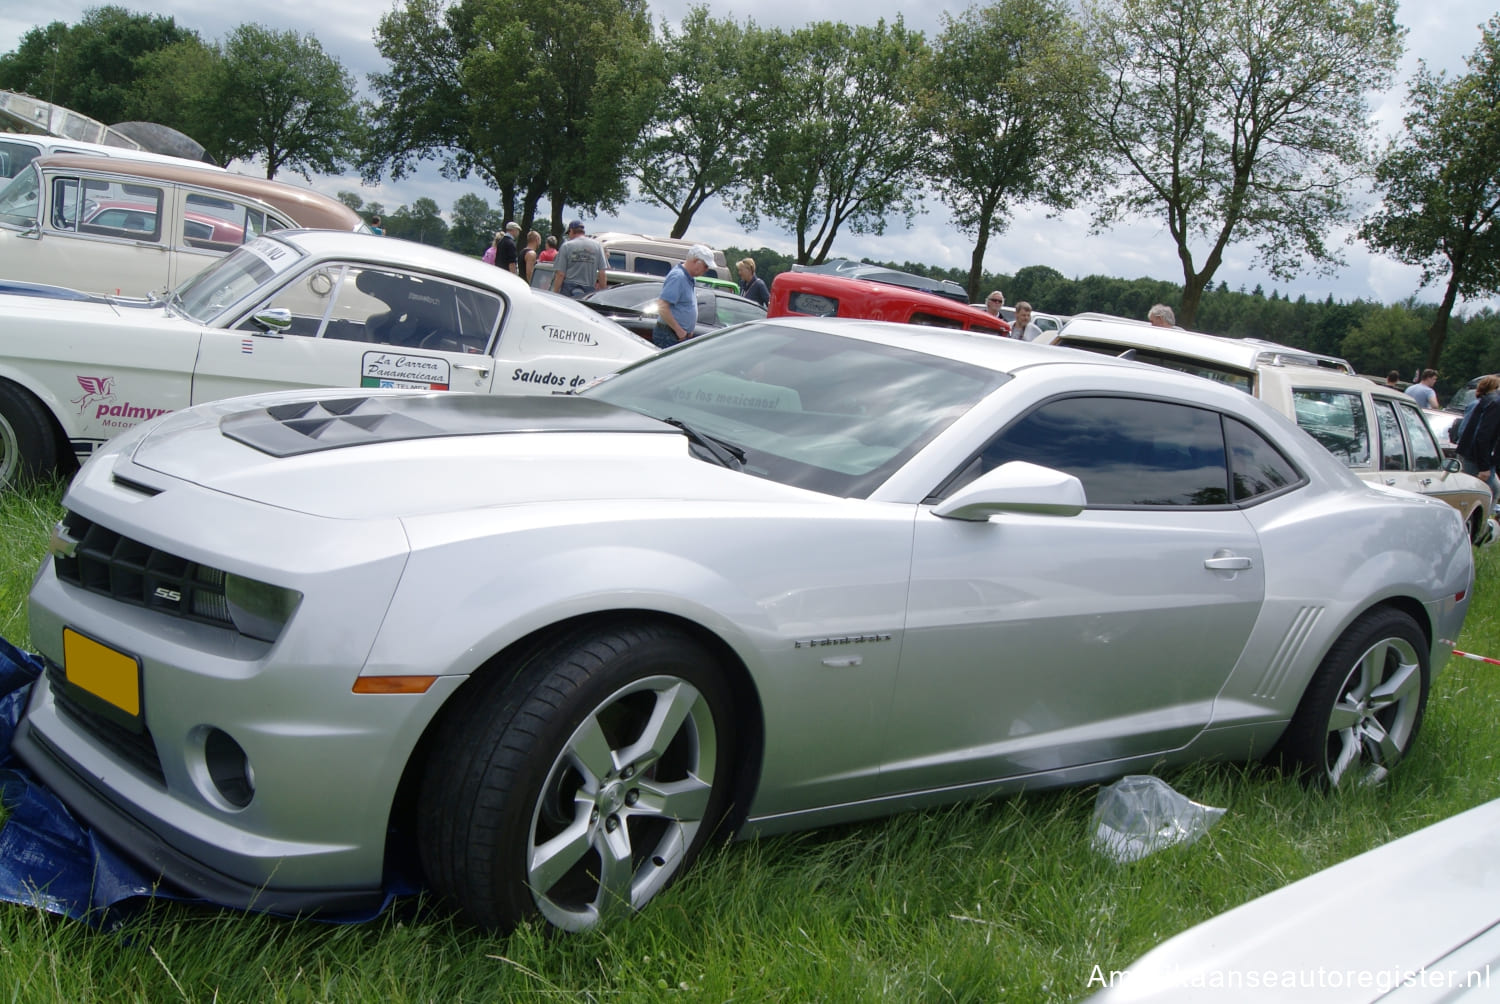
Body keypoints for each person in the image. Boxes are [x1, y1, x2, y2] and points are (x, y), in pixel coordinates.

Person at [652, 244, 714, 348]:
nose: (706, 269)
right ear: (696, 261)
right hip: (669, 334)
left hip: (675, 335)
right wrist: (679, 330)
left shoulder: (688, 278)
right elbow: (662, 306)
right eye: (705, 266)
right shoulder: (678, 277)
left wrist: (687, 331)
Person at [1455, 374, 1500, 505]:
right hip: (1477, 458)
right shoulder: (1496, 403)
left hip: (1473, 454)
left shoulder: (1489, 400)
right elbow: (1483, 435)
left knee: (1493, 490)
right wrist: (1484, 466)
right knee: (1482, 495)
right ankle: (1479, 524)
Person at [550, 220, 607, 298]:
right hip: (589, 290)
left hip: (568, 288)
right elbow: (602, 273)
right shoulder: (597, 246)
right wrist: (603, 294)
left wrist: (555, 293)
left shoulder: (566, 246)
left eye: (568, 233)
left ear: (571, 231)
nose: (569, 236)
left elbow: (560, 274)